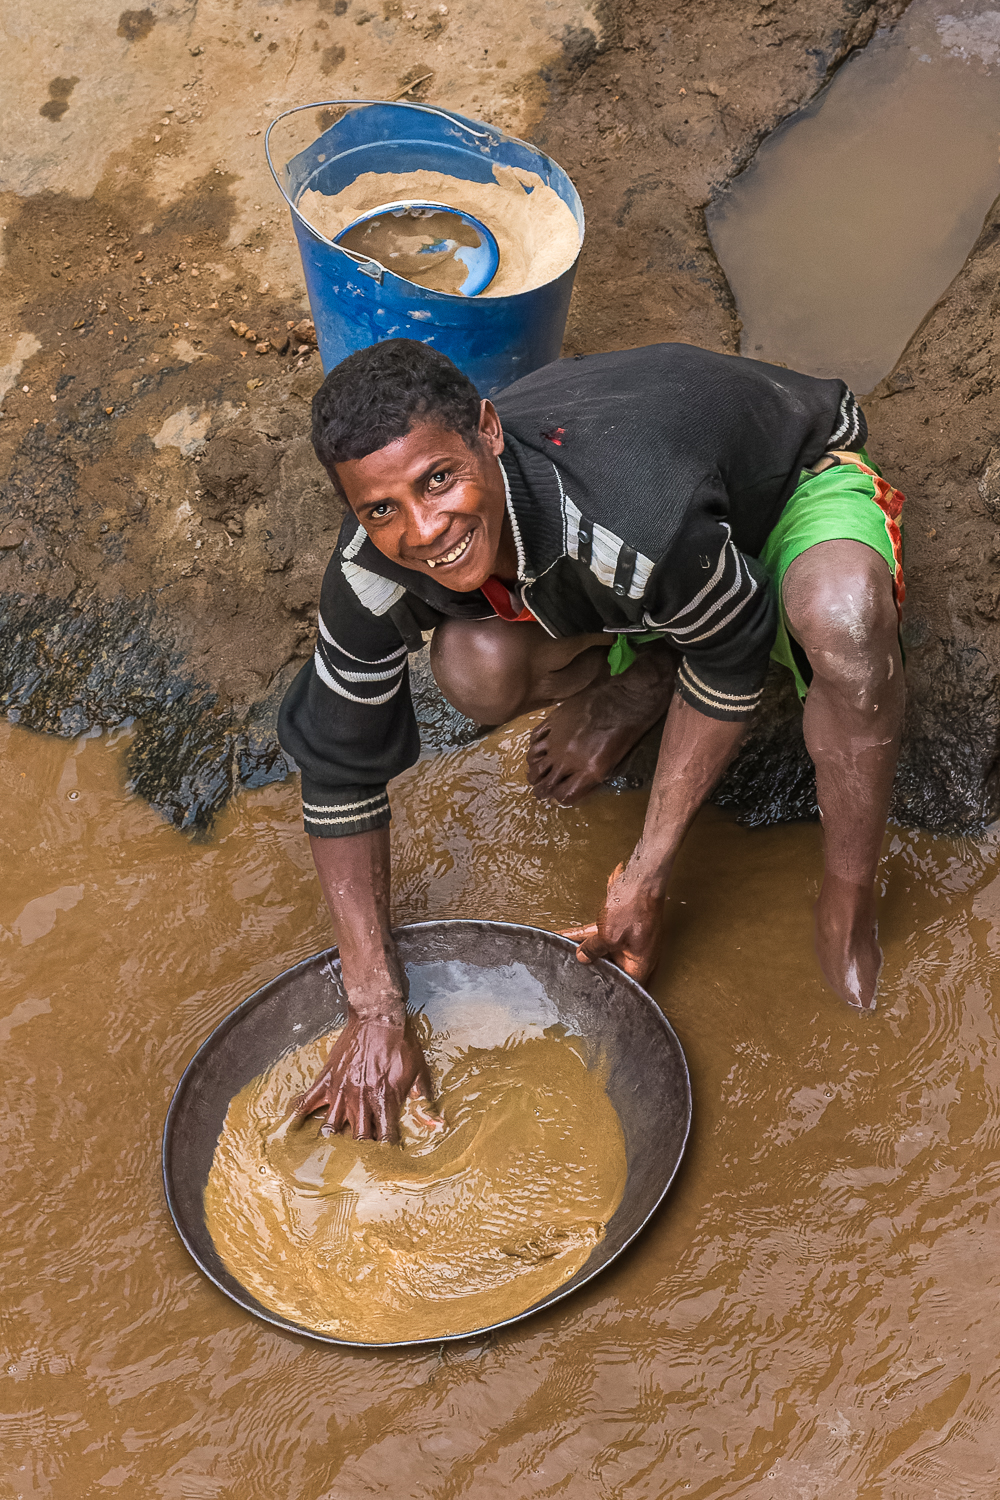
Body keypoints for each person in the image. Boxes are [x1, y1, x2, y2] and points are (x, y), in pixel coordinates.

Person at [278, 339, 905, 1142]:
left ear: (488, 433)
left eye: (439, 478)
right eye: (381, 508)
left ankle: (850, 899)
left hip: (784, 486)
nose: (424, 528)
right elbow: (336, 770)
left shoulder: (631, 513)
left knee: (844, 627)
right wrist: (374, 1006)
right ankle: (645, 670)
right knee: (476, 668)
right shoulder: (374, 563)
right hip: (655, 555)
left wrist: (646, 871)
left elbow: (735, 651)